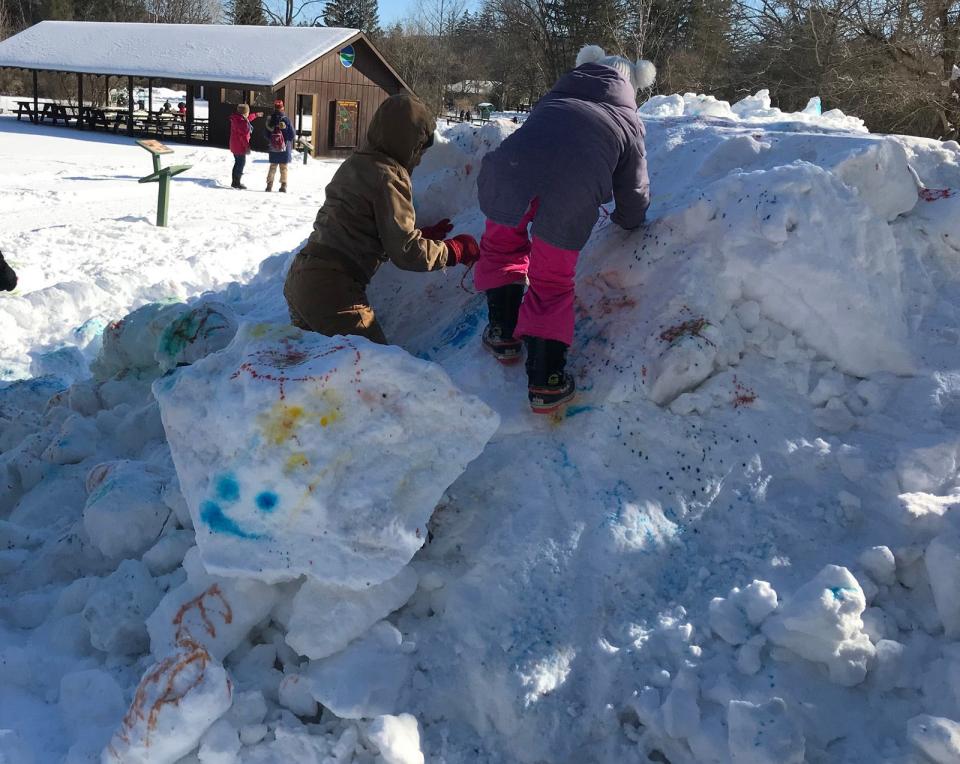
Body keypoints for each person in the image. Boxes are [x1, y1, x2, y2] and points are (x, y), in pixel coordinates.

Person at [474, 44, 654, 414]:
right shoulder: (627, 121)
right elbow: (634, 189)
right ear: (633, 84)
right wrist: (629, 220)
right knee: (551, 279)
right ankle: (546, 379)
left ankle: (502, 332)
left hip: (509, 172)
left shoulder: (554, 100)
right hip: (572, 191)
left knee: (502, 246)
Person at [284, 94, 479, 344]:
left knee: (322, 374)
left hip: (301, 276)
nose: (419, 160)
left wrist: (420, 235)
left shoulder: (356, 163)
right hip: (333, 289)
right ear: (409, 145)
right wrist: (455, 251)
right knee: (377, 371)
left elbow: (358, 226)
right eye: (420, 150)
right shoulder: (389, 176)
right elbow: (407, 253)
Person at [229, 103, 262, 190]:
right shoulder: (242, 123)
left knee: (237, 163)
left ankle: (235, 181)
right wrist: (247, 147)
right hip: (240, 146)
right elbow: (243, 137)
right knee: (240, 163)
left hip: (234, 145)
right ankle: (236, 182)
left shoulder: (238, 119)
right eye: (248, 112)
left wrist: (255, 115)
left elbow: (248, 119)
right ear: (244, 113)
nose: (248, 114)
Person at [265, 99, 295, 193]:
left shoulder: (270, 119)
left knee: (273, 166)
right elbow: (292, 135)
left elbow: (266, 134)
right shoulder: (286, 119)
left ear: (274, 108)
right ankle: (283, 185)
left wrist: (272, 140)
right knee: (283, 167)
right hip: (284, 147)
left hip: (273, 147)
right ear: (283, 108)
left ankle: (269, 185)